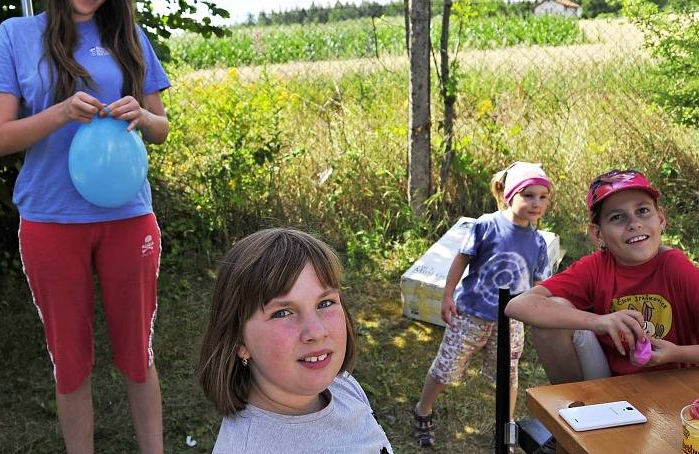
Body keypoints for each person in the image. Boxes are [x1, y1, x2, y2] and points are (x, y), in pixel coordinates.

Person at [0, 0, 169, 453]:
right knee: (70, 361)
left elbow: (162, 126)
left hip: (129, 217)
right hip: (51, 221)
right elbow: (0, 138)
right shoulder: (15, 36)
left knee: (137, 353)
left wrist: (140, 115)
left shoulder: (128, 36)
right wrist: (60, 112)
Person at [196, 228, 393, 454]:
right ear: (239, 341)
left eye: (325, 303)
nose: (317, 332)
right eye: (283, 313)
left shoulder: (343, 386)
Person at [506, 169, 699, 385]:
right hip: (609, 383)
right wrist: (599, 322)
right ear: (598, 234)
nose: (634, 223)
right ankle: (575, 410)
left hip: (675, 386)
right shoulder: (596, 267)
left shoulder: (676, 267)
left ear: (661, 219)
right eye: (617, 217)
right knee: (553, 313)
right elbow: (517, 305)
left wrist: (677, 353)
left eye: (643, 211)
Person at [411, 162, 552, 447]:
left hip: (511, 320)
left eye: (543, 197)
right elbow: (461, 259)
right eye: (528, 195)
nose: (536, 203)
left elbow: (540, 285)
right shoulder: (486, 225)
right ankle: (422, 411)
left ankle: (507, 428)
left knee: (508, 375)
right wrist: (448, 295)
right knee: (445, 368)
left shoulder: (538, 243)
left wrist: (539, 313)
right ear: (509, 194)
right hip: (471, 314)